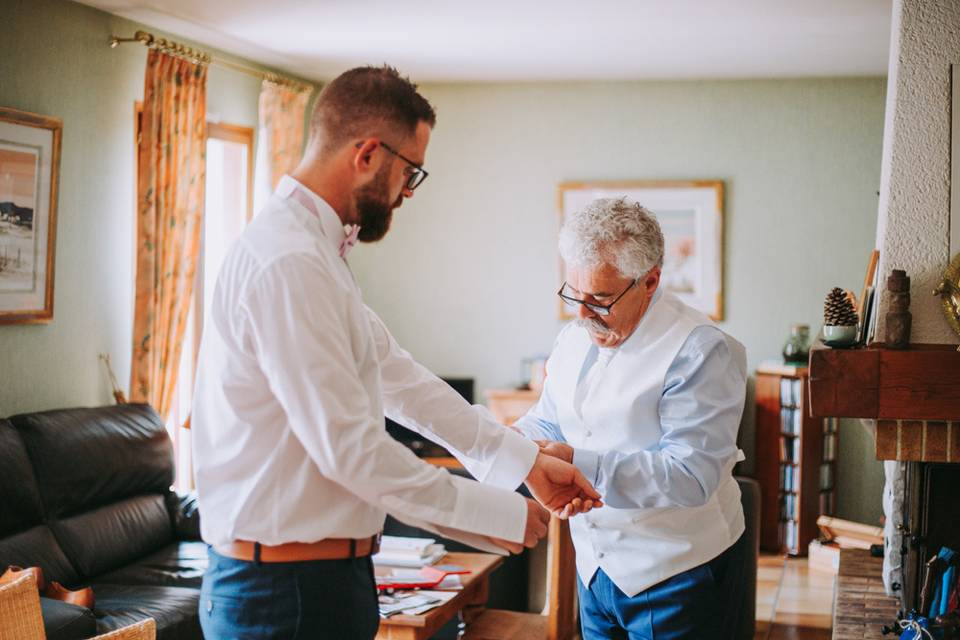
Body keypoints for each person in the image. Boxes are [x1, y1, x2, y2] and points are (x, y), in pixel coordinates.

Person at [190, 66, 600, 639]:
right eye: (411, 171)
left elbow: (399, 378)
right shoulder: (289, 262)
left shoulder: (317, 255)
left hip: (324, 582)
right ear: (367, 154)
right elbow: (351, 452)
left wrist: (525, 463)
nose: (408, 191)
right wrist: (497, 512)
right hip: (282, 596)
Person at [514, 197, 749, 639]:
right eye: (573, 294)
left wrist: (575, 465)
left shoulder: (700, 351)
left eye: (600, 298)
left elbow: (691, 474)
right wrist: (513, 446)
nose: (582, 313)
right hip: (596, 570)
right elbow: (548, 420)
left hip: (678, 574)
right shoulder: (574, 336)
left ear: (650, 281)